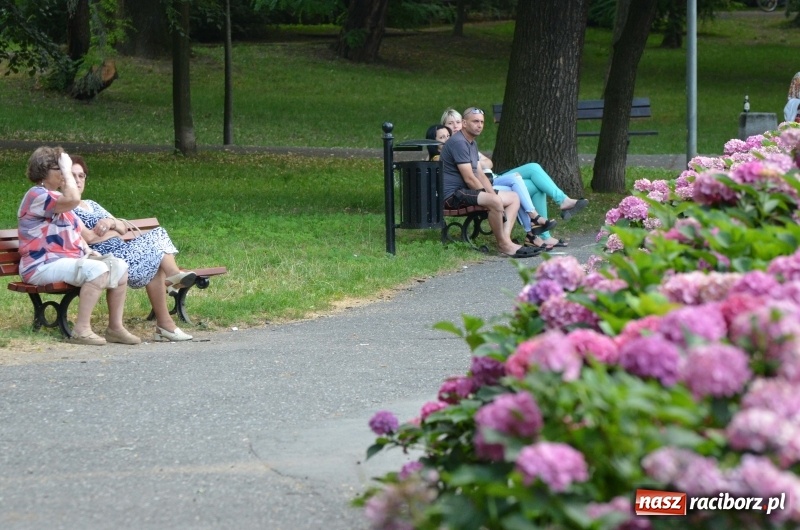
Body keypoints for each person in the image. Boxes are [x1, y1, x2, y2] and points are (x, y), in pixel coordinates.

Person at [17, 147, 140, 346]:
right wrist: (68, 172)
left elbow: (73, 234)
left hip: (66, 261)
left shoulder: (58, 200)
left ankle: (115, 328)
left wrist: (87, 250)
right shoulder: (37, 195)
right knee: (98, 270)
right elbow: (73, 199)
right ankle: (82, 330)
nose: (67, 175)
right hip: (40, 265)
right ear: (46, 170)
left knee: (120, 267)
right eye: (61, 169)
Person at [70, 155, 196, 342]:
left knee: (155, 259)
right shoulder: (67, 208)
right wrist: (112, 229)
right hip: (106, 258)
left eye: (81, 176)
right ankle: (173, 281)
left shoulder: (92, 204)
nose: (78, 180)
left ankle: (166, 324)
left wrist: (109, 222)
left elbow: (123, 227)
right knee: (158, 235)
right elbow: (88, 237)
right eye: (73, 176)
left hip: (125, 252)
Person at [440, 108, 589, 249]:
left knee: (534, 169)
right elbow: (468, 175)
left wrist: (481, 167)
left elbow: (488, 164)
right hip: (485, 184)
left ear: (462, 123)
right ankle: (534, 229)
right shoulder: (455, 144)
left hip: (493, 178)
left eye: (457, 122)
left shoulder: (471, 143)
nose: (455, 126)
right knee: (527, 185)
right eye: (450, 123)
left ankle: (546, 224)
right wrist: (486, 192)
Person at [427, 123, 557, 246]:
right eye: (441, 137)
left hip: (483, 182)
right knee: (517, 185)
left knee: (516, 183)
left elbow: (487, 164)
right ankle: (527, 231)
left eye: (447, 136)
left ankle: (512, 235)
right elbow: (470, 178)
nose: (446, 140)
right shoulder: (444, 154)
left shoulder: (469, 145)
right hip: (459, 193)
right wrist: (489, 194)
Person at [439, 107, 538, 258]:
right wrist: (491, 199)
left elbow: (480, 174)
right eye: (475, 121)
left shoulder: (471, 143)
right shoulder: (458, 142)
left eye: (482, 122)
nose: (479, 125)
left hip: (464, 191)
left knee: (513, 198)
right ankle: (504, 244)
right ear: (464, 123)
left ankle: (505, 240)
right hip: (452, 195)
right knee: (494, 201)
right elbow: (469, 178)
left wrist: (493, 194)